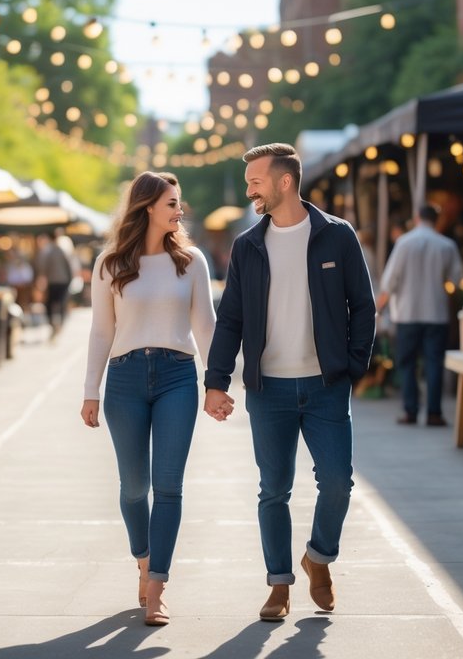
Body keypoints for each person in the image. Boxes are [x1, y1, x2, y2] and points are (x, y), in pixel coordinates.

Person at [203, 143, 375, 622]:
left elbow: (363, 305)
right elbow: (231, 317)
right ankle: (279, 584)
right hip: (269, 389)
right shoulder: (247, 245)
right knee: (273, 490)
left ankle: (318, 558)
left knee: (338, 482)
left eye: (255, 180)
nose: (249, 189)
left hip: (325, 386)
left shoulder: (337, 237)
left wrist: (352, 366)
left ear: (284, 182)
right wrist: (216, 380)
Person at [81, 172, 215, 628]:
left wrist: (217, 383)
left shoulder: (192, 261)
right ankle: (143, 558)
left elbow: (206, 328)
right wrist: (89, 391)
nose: (180, 210)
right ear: (147, 209)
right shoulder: (111, 263)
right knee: (134, 487)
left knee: (170, 486)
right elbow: (101, 330)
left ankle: (157, 587)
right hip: (125, 379)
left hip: (178, 375)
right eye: (172, 203)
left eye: (179, 202)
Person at [378, 204, 463, 427]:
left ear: (416, 218)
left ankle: (411, 411)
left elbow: (389, 281)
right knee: (434, 362)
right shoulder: (447, 245)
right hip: (436, 312)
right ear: (436, 220)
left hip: (407, 312)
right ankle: (434, 413)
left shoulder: (404, 243)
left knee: (407, 364)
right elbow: (456, 280)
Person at [35, 230, 77, 340]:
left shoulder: (49, 252)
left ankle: (55, 325)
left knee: (52, 304)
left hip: (54, 281)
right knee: (59, 304)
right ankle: (58, 325)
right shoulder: (59, 251)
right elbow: (68, 267)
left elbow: (43, 268)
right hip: (61, 281)